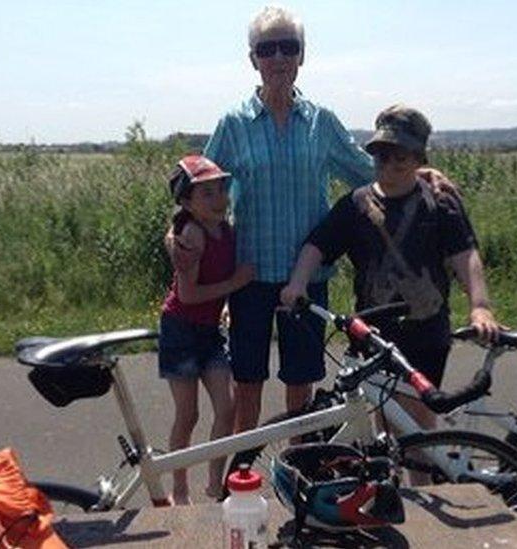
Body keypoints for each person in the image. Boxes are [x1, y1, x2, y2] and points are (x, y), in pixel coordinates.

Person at [170, 6, 461, 433]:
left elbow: (366, 170)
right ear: (252, 59)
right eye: (267, 49)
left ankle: (298, 474)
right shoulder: (233, 123)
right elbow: (199, 191)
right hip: (249, 276)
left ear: (302, 56)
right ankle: (240, 481)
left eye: (289, 47)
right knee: (247, 384)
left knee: (300, 384)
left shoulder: (320, 122)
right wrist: (174, 233)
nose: (279, 58)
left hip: (307, 278)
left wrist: (418, 173)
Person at [279, 105, 501, 433]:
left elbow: (465, 255)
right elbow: (317, 246)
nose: (391, 165)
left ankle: (424, 481)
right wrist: (297, 283)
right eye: (382, 156)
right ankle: (398, 483)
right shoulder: (355, 205)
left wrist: (480, 307)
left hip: (426, 330)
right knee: (386, 420)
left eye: (401, 157)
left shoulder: (439, 203)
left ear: (418, 159)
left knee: (419, 420)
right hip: (373, 334)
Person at [158, 154, 254, 504]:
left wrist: (225, 302)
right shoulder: (193, 234)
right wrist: (235, 284)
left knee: (227, 409)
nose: (218, 200)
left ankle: (215, 482)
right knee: (188, 414)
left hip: (209, 332)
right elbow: (188, 294)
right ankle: (179, 487)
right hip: (181, 330)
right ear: (187, 202)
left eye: (219, 191)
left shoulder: (225, 230)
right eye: (206, 194)